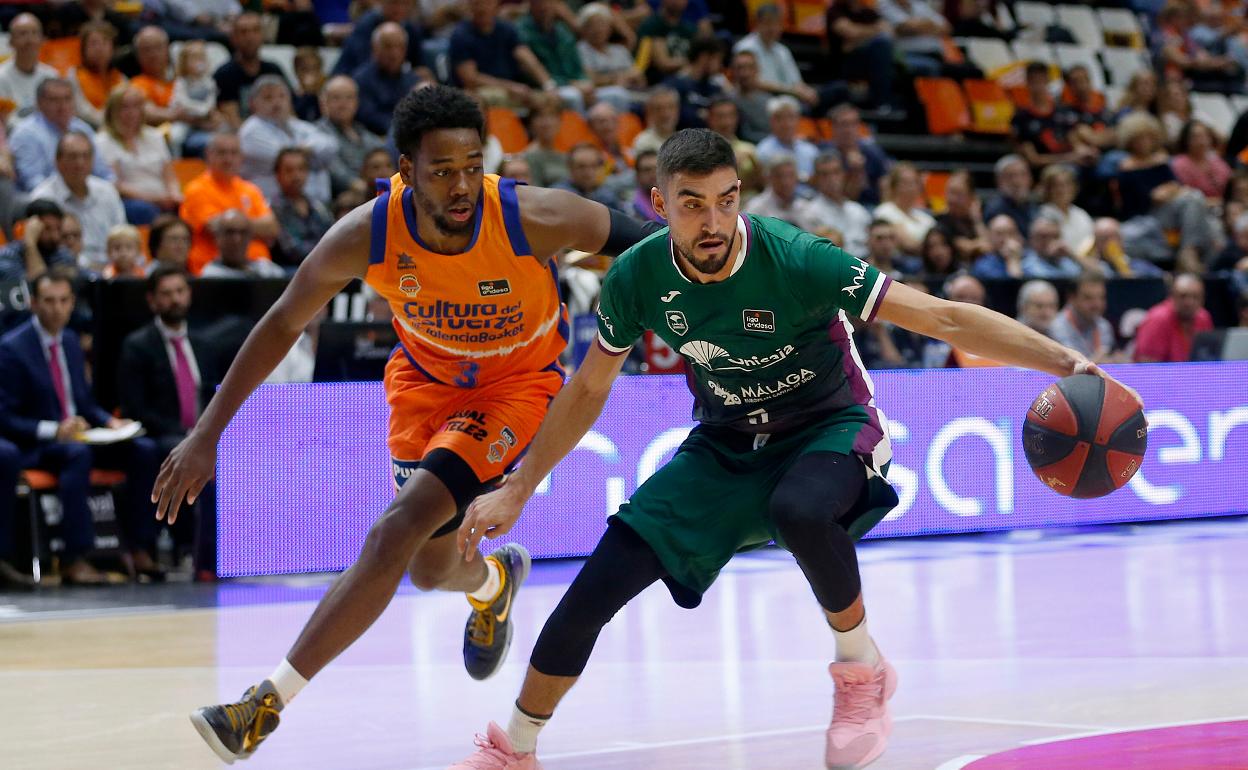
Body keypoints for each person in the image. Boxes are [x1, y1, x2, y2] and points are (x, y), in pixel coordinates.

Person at [449, 127, 1138, 770]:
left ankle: (860, 670)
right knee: (593, 588)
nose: (713, 222)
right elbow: (587, 389)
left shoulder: (797, 258)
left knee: (801, 510)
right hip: (724, 444)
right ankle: (515, 747)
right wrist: (518, 484)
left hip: (830, 425)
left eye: (725, 201)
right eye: (691, 206)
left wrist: (1065, 362)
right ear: (659, 204)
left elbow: (942, 317)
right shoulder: (635, 276)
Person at [154, 85, 661, 763]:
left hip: (515, 386)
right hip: (424, 387)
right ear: (405, 171)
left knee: (397, 524)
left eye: (470, 166)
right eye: (441, 170)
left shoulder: (532, 217)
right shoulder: (369, 233)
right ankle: (493, 584)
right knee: (426, 567)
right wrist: (208, 433)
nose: (460, 185)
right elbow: (282, 322)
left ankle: (263, 705)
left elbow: (655, 245)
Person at [0, 268, 162, 584]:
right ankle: (75, 557)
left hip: (79, 437)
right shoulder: (11, 348)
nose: (57, 308)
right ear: (33, 303)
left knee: (144, 450)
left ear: (72, 303)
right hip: (38, 445)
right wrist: (54, 429)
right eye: (49, 301)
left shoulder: (72, 341)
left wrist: (109, 421)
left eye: (63, 301)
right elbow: (5, 417)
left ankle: (141, 547)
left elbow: (84, 404)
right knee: (77, 455)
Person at [118, 265, 219, 577]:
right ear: (152, 301)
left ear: (189, 294)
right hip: (164, 432)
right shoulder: (138, 345)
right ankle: (175, 546)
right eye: (166, 294)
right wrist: (187, 435)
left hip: (202, 431)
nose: (175, 299)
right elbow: (135, 407)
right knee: (164, 451)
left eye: (179, 291)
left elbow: (217, 394)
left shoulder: (204, 343)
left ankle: (227, 550)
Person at [180, 132, 279, 274]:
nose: (228, 159)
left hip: (258, 267)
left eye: (234, 153)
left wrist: (231, 222)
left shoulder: (250, 189)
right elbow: (216, 228)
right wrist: (255, 226)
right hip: (216, 268)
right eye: (222, 153)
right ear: (209, 155)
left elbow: (272, 228)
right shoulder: (197, 190)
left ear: (241, 157)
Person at [30, 131, 126, 272]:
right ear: (58, 162)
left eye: (85, 156)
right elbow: (45, 250)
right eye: (72, 157)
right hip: (66, 272)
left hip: (113, 270)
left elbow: (123, 234)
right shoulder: (43, 198)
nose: (80, 163)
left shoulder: (107, 191)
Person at [238, 76, 338, 205]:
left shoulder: (297, 125)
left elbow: (331, 146)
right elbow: (286, 159)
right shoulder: (251, 130)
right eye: (268, 97)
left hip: (316, 206)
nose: (277, 102)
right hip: (273, 206)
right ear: (252, 103)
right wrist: (312, 153)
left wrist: (306, 149)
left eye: (282, 96)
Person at [9, 77, 114, 193]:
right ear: (39, 103)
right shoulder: (25, 134)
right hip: (47, 202)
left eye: (67, 99)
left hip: (87, 197)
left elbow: (103, 173)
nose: (62, 106)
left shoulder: (83, 128)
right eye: (54, 100)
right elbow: (33, 183)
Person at [96, 87, 182, 225]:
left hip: (163, 197)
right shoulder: (103, 141)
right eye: (125, 107)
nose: (132, 113)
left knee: (187, 205)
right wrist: (154, 199)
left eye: (136, 106)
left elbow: (170, 176)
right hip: (132, 201)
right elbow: (116, 185)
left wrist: (174, 195)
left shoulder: (155, 136)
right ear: (113, 111)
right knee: (144, 210)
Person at [271, 148, 334, 268]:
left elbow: (332, 237)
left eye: (301, 169)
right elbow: (290, 250)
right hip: (289, 271)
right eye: (289, 170)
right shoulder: (273, 209)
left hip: (322, 267)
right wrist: (325, 253)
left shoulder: (318, 206)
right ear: (277, 175)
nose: (296, 176)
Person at [1133, 273, 1214, 362]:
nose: (1189, 302)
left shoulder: (1204, 317)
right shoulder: (1158, 319)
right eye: (1183, 296)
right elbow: (1146, 364)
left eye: (1195, 297)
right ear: (1172, 296)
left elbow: (1208, 358)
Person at [0, 14, 59, 124]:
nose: (29, 40)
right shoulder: (1, 76)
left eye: (34, 33)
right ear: (11, 42)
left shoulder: (51, 75)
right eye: (23, 34)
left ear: (42, 40)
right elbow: (5, 121)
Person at [0, 200, 78, 281]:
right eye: (47, 228)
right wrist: (30, 244)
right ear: (30, 227)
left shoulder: (63, 254)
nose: (55, 236)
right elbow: (32, 289)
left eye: (58, 228)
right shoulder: (6, 256)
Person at [1049, 271, 1119, 362]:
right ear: (1071, 298)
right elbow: (1070, 367)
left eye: (1101, 297)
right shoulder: (1057, 327)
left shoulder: (1104, 326)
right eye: (1088, 298)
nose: (1097, 304)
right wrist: (1098, 362)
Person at [198, 210, 286, 278]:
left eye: (243, 232)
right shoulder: (211, 275)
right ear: (217, 237)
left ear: (250, 237)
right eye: (230, 232)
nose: (237, 239)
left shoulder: (267, 268)